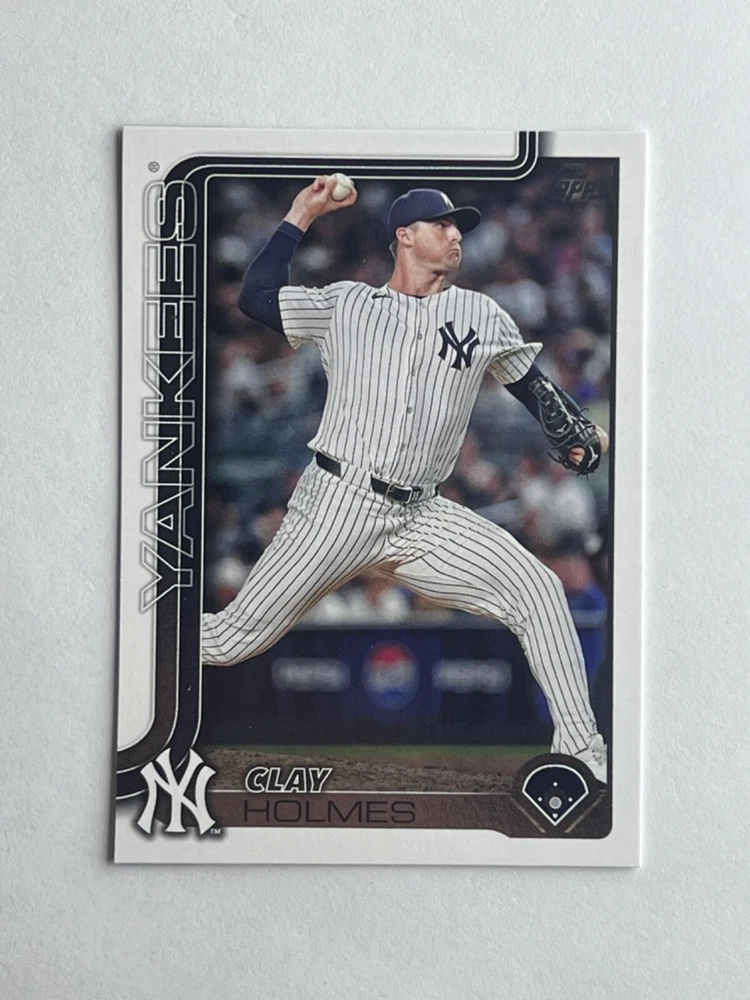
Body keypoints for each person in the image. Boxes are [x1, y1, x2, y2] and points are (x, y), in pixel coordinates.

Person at [201, 176, 610, 782]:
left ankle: (582, 757)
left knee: (540, 591)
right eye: (442, 225)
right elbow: (256, 298)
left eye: (459, 227)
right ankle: (133, 645)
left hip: (422, 516)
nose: (455, 235)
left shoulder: (481, 314)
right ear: (405, 236)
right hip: (337, 503)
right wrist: (301, 212)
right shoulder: (348, 305)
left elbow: (535, 390)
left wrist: (573, 430)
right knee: (230, 641)